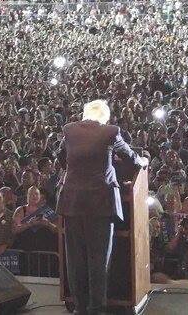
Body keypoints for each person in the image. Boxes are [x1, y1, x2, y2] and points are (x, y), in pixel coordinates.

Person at [56, 99, 139, 314]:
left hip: (72, 201)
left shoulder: (69, 130)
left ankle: (79, 307)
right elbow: (131, 157)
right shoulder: (111, 132)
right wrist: (142, 162)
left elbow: (60, 157)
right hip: (99, 202)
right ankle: (96, 308)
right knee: (98, 258)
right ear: (104, 116)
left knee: (75, 259)